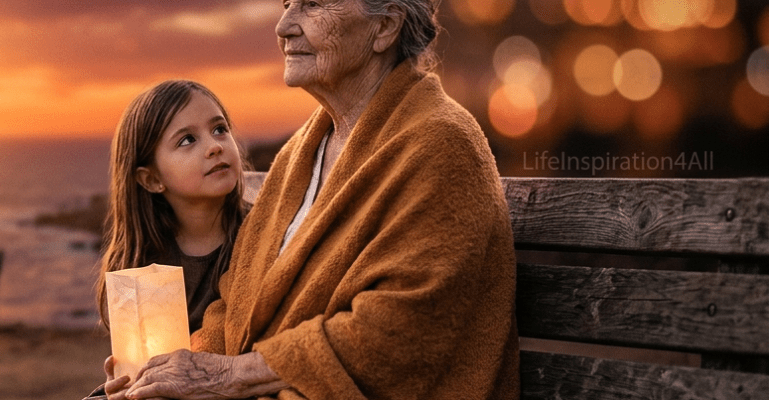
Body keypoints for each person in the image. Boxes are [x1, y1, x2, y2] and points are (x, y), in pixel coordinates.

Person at [104, 0, 520, 399]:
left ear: (385, 27)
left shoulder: (441, 144)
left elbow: (406, 328)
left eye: (315, 4)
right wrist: (173, 370)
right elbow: (236, 299)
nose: (284, 27)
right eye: (287, 4)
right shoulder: (301, 152)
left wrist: (228, 374)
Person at [87, 80, 251, 399]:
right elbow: (144, 373)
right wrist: (126, 384)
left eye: (220, 129)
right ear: (151, 179)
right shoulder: (140, 266)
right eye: (188, 140)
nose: (214, 146)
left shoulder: (263, 235)